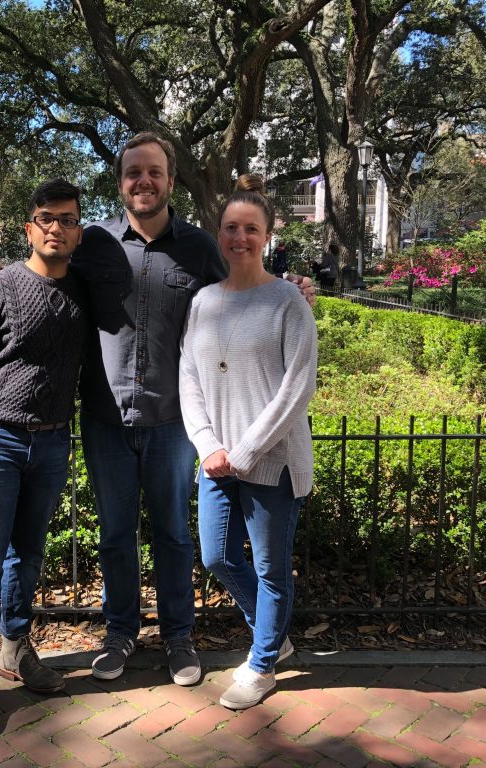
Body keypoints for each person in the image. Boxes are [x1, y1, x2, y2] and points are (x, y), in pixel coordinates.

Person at [0, 132, 316, 687]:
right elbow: (44, 263)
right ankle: (120, 633)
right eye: (134, 172)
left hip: (175, 421)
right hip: (105, 417)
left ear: (170, 180)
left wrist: (293, 286)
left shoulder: (202, 247)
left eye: (154, 171)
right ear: (121, 181)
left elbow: (243, 288)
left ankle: (179, 637)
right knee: (114, 534)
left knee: (175, 535)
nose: (144, 181)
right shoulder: (93, 242)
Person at [0, 179, 87, 733]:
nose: (57, 227)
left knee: (26, 553)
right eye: (46, 218)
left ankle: (15, 646)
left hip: (52, 441)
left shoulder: (84, 287)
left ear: (79, 229)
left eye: (68, 219)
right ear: (29, 227)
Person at [179, 174, 317, 710]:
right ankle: (273, 635)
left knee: (269, 567)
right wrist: (208, 445)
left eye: (251, 229)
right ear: (220, 235)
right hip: (214, 460)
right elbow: (188, 375)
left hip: (272, 462)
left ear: (267, 237)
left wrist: (243, 453)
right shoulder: (203, 301)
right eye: (232, 228)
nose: (241, 238)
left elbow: (297, 387)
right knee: (216, 556)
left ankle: (261, 666)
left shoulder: (287, 301)